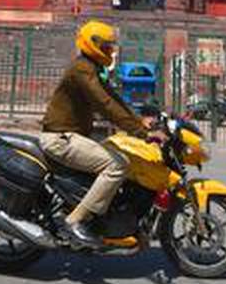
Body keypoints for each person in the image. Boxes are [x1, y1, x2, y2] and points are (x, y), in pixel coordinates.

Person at [39, 20, 158, 247]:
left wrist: (140, 121)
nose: (110, 51)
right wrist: (140, 131)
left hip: (72, 135)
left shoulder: (92, 68)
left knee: (119, 151)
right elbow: (104, 104)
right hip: (61, 138)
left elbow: (114, 99)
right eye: (106, 47)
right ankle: (74, 221)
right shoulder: (82, 69)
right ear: (93, 45)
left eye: (110, 47)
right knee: (117, 165)